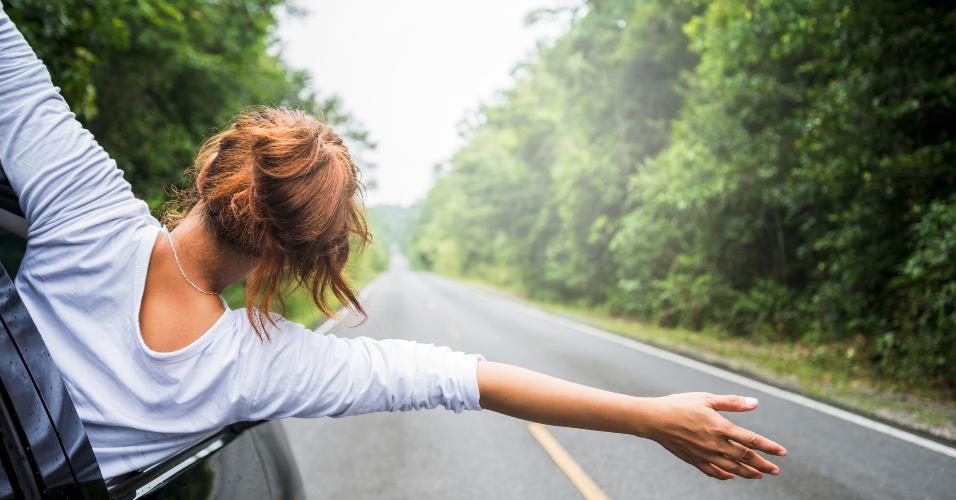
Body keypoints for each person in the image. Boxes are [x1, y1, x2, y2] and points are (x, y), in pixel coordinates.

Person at [0, 5, 786, 483]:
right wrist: (649, 416)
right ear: (295, 259)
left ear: (212, 165)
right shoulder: (256, 365)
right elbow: (464, 378)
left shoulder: (87, 210)